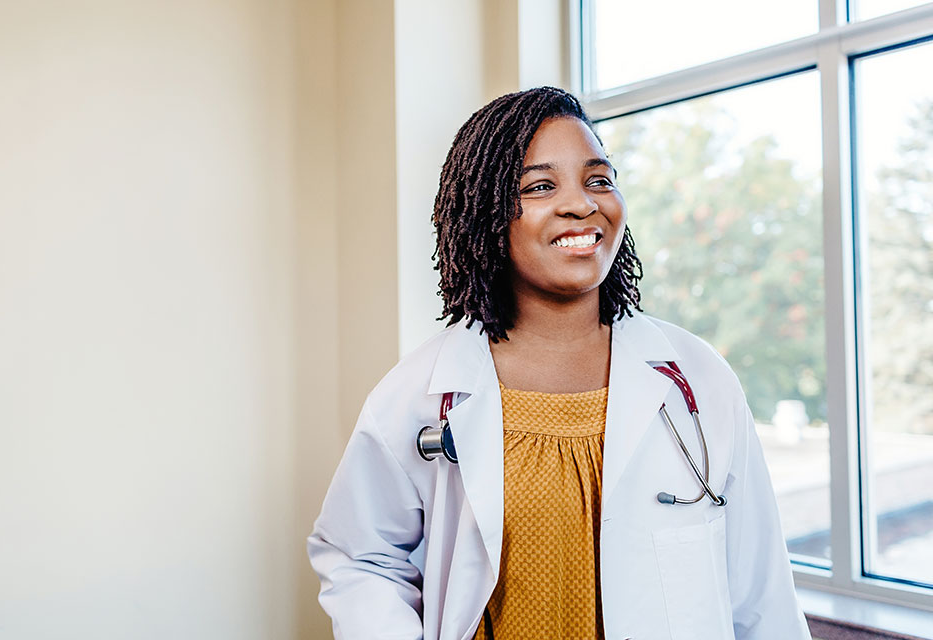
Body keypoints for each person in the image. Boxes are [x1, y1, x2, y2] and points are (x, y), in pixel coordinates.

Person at [307, 86, 812, 640]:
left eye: (598, 179)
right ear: (486, 214)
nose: (581, 203)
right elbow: (360, 558)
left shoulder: (697, 377)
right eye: (541, 186)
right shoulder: (419, 394)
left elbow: (761, 592)